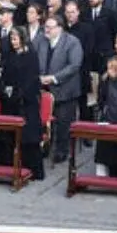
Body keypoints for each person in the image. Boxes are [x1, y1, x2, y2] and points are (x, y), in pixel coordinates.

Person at [0, 26, 45, 179]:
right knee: (7, 136)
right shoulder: (10, 55)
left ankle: (32, 169)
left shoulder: (30, 55)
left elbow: (32, 79)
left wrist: (21, 93)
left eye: (16, 39)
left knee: (28, 138)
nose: (13, 42)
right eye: (11, 39)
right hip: (11, 102)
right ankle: (8, 167)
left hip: (26, 102)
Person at [37, 18, 84, 164]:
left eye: (50, 27)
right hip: (44, 88)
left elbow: (74, 65)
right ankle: (45, 147)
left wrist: (54, 78)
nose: (47, 30)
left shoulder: (72, 42)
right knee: (43, 120)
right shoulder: (41, 40)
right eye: (46, 27)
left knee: (63, 122)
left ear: (60, 28)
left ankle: (62, 151)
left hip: (65, 89)